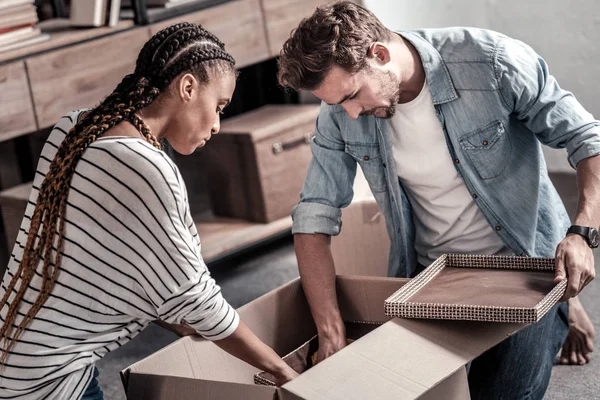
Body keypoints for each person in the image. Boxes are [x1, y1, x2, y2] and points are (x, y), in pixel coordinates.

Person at [277, 2, 597, 399]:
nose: (351, 114)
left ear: (379, 53)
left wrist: (583, 233)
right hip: (430, 276)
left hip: (523, 270)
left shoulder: (491, 61)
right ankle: (563, 315)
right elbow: (313, 217)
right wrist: (331, 331)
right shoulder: (341, 114)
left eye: (353, 95)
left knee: (496, 394)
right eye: (337, 104)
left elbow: (587, 139)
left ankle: (561, 311)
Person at [0, 22, 297, 400]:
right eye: (219, 106)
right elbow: (198, 297)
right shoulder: (148, 167)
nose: (218, 125)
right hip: (50, 382)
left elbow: (104, 263)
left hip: (16, 355)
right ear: (188, 88)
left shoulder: (74, 128)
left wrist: (173, 318)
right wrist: (282, 370)